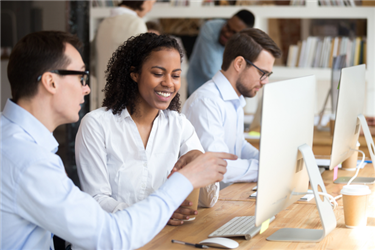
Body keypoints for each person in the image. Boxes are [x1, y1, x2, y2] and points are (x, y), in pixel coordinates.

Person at [0, 30, 236, 249]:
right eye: (81, 77)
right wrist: (184, 181)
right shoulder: (28, 160)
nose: (87, 89)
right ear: (51, 82)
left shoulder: (18, 142)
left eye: (175, 75)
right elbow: (110, 233)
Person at [76, 33, 220, 226]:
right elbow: (96, 200)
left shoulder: (179, 125)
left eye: (175, 75)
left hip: (159, 239)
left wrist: (198, 160)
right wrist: (158, 212)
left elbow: (206, 201)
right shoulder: (96, 124)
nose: (169, 83)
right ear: (134, 74)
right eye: (158, 73)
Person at [182, 28, 282, 185]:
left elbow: (238, 146)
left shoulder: (235, 99)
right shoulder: (206, 102)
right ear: (239, 64)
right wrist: (265, 169)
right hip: (208, 205)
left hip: (227, 197)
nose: (265, 81)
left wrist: (268, 161)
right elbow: (218, 166)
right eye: (263, 73)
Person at [93, 0, 156, 110]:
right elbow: (143, 67)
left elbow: (93, 62)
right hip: (127, 101)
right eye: (152, 2)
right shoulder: (136, 23)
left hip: (104, 98)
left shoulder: (104, 24)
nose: (150, 8)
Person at [186, 9, 255, 96]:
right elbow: (212, 71)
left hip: (225, 92)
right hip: (198, 88)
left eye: (234, 32)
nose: (227, 33)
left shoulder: (244, 44)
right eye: (227, 26)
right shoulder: (210, 28)